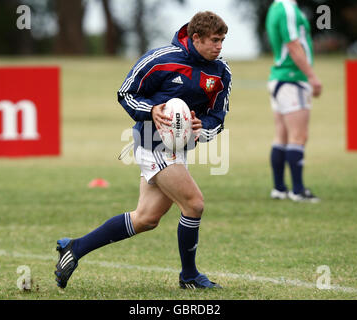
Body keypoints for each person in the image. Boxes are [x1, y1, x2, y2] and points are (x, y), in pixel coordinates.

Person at [54, 11, 231, 290]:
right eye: (213, 40)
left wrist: (201, 128)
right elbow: (126, 93)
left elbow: (218, 118)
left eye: (222, 40)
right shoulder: (160, 59)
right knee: (194, 204)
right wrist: (152, 110)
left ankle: (74, 248)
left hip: (179, 148)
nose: (219, 46)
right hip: (151, 142)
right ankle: (189, 276)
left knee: (146, 218)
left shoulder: (220, 72)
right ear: (195, 38)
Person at [266, 0, 322, 202]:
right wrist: (312, 76)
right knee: (298, 136)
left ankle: (280, 188)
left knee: (281, 135)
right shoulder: (287, 8)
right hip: (292, 78)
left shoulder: (275, 7)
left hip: (280, 78)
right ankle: (298, 190)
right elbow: (293, 44)